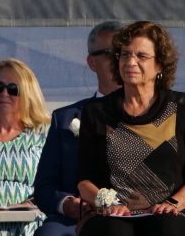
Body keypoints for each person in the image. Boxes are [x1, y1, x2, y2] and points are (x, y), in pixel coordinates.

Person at [76, 20, 185, 235]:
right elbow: (84, 180)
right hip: (112, 216)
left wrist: (173, 203)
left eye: (141, 56)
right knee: (112, 230)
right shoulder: (97, 111)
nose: (130, 62)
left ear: (160, 64)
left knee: (168, 228)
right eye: (124, 55)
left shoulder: (180, 108)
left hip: (171, 212)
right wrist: (106, 203)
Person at [33, 21, 122, 236]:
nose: (122, 60)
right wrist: (67, 203)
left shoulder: (152, 116)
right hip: (76, 221)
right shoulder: (65, 119)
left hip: (133, 215)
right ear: (92, 62)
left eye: (125, 53)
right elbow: (44, 187)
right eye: (112, 53)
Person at [0, 59, 51, 236]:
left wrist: (32, 203)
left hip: (31, 221)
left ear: (28, 94)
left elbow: (54, 182)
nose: (4, 93)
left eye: (13, 89)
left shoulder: (45, 134)